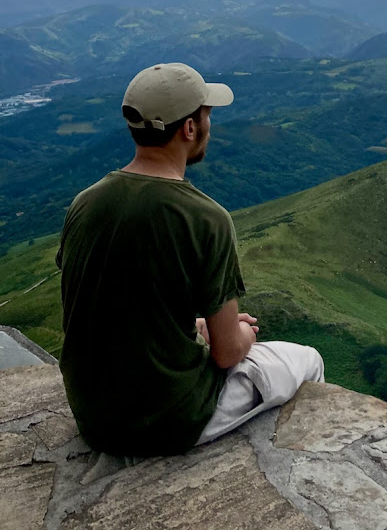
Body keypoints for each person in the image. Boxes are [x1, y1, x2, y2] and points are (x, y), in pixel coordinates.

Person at [57, 62, 324, 456]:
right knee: (308, 360)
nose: (210, 125)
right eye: (207, 115)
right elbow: (227, 354)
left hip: (92, 416)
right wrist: (243, 334)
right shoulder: (206, 219)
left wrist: (195, 326)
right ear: (189, 129)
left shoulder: (84, 203)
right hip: (168, 419)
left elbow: (113, 302)